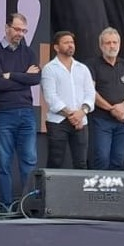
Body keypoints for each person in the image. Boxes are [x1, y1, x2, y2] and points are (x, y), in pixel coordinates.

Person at [0, 13, 40, 212]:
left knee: (29, 161)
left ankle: (28, 205)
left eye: (24, 30)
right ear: (7, 28)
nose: (21, 34)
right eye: (17, 29)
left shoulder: (29, 52)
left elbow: (36, 79)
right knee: (4, 162)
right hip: (3, 113)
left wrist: (13, 75)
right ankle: (6, 205)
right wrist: (24, 77)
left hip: (26, 112)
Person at [41, 31, 95, 170]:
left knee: (81, 163)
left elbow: (90, 94)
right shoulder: (50, 69)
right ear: (56, 47)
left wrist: (81, 113)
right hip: (58, 121)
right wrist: (71, 115)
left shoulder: (82, 69)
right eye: (66, 43)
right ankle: (51, 192)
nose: (70, 45)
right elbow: (50, 97)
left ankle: (80, 192)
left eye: (72, 42)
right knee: (56, 161)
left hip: (81, 121)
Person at [89, 27, 124, 170]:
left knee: (118, 159)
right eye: (108, 43)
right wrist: (112, 109)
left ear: (119, 44)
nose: (112, 46)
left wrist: (123, 106)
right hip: (101, 121)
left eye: (115, 42)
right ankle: (99, 191)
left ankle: (112, 191)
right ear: (101, 46)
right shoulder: (93, 65)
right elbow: (91, 93)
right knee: (102, 158)